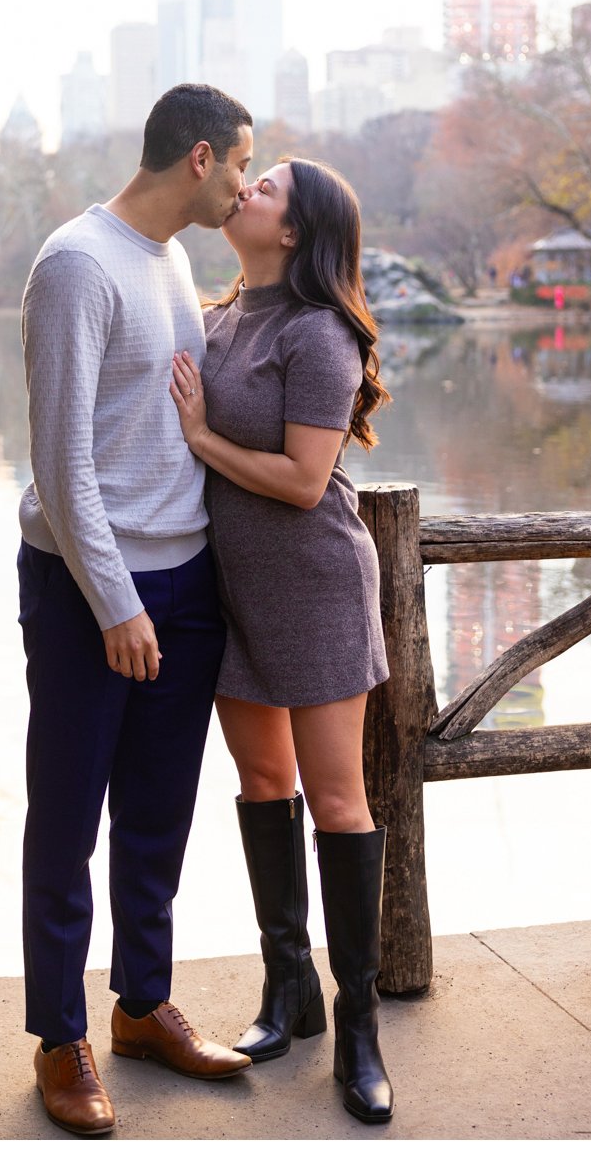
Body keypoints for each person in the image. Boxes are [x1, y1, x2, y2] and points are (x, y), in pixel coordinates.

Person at [15, 84, 257, 1137]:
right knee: (67, 817)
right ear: (200, 157)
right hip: (87, 585)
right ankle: (60, 1036)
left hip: (186, 580)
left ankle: (141, 1005)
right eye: (243, 165)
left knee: (158, 814)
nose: (248, 185)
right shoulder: (77, 262)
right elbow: (63, 460)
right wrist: (114, 600)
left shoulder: (172, 257)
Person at [169, 157, 395, 1124]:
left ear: (294, 232)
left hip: (314, 589)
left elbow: (306, 483)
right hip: (233, 594)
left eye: (265, 188)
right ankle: (286, 990)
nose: (245, 189)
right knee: (263, 785)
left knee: (337, 800)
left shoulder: (320, 333)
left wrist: (200, 439)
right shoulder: (216, 318)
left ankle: (359, 1029)